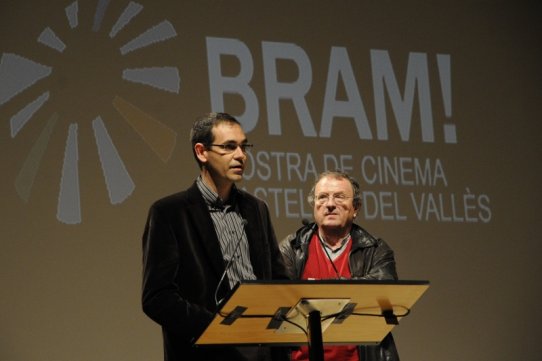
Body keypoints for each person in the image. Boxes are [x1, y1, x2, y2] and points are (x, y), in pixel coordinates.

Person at [142, 112, 289, 361]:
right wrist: (217, 329)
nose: (241, 155)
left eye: (244, 146)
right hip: (206, 350)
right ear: (201, 152)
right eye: (229, 147)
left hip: (262, 349)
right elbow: (157, 297)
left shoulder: (256, 209)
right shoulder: (169, 212)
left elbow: (278, 281)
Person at [279, 171, 400, 361]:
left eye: (339, 197)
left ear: (356, 208)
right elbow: (277, 301)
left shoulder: (375, 249)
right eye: (322, 197)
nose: (329, 204)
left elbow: (384, 290)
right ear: (314, 205)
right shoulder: (292, 248)